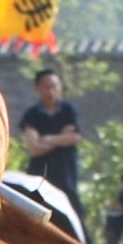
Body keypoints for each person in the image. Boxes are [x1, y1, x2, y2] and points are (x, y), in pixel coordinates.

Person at [19, 66, 85, 234]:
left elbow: (75, 137)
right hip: (41, 179)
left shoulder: (68, 111)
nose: (51, 91)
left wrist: (48, 139)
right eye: (46, 86)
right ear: (38, 88)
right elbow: (34, 147)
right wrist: (61, 138)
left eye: (54, 86)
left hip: (66, 177)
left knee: (76, 225)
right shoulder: (32, 115)